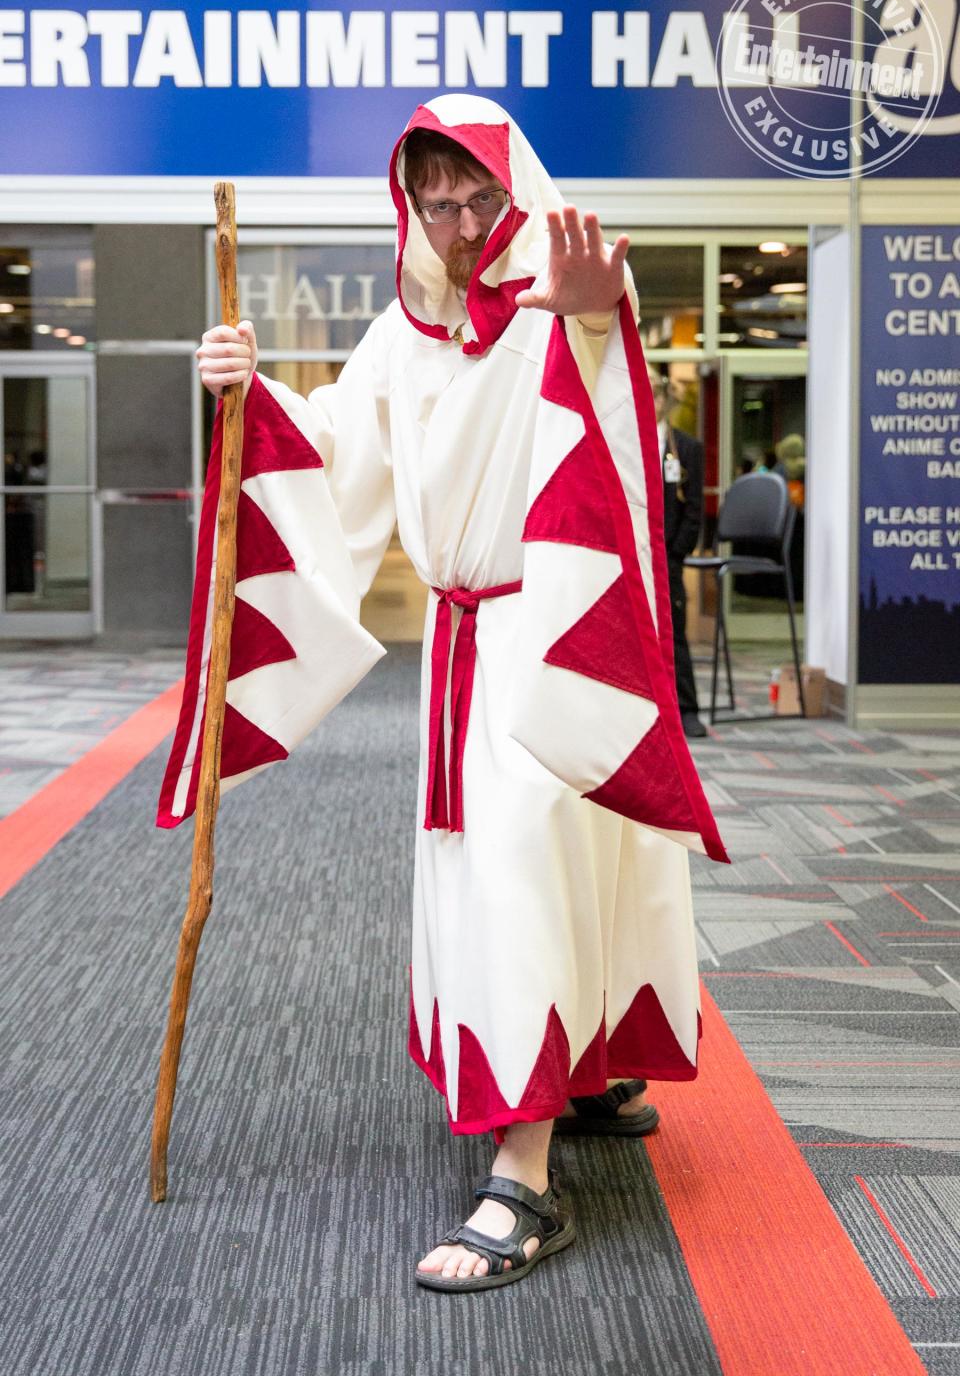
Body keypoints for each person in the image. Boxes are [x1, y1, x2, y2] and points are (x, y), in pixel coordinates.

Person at [179, 96, 726, 1292]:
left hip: (561, 633)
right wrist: (244, 391)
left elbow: (611, 404)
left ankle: (524, 1181)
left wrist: (594, 318)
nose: (465, 222)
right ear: (410, 203)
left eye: (481, 196)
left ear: (513, 187)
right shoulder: (401, 332)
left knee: (543, 865)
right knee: (520, 870)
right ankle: (574, 1077)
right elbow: (329, 460)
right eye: (439, 201)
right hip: (469, 644)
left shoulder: (555, 302)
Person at [650, 369, 706, 739]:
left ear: (665, 400)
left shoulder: (685, 448)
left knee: (674, 631)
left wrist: (675, 554)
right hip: (631, 552)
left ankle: (686, 709)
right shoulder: (620, 442)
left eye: (655, 396)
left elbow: (694, 511)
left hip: (667, 555)